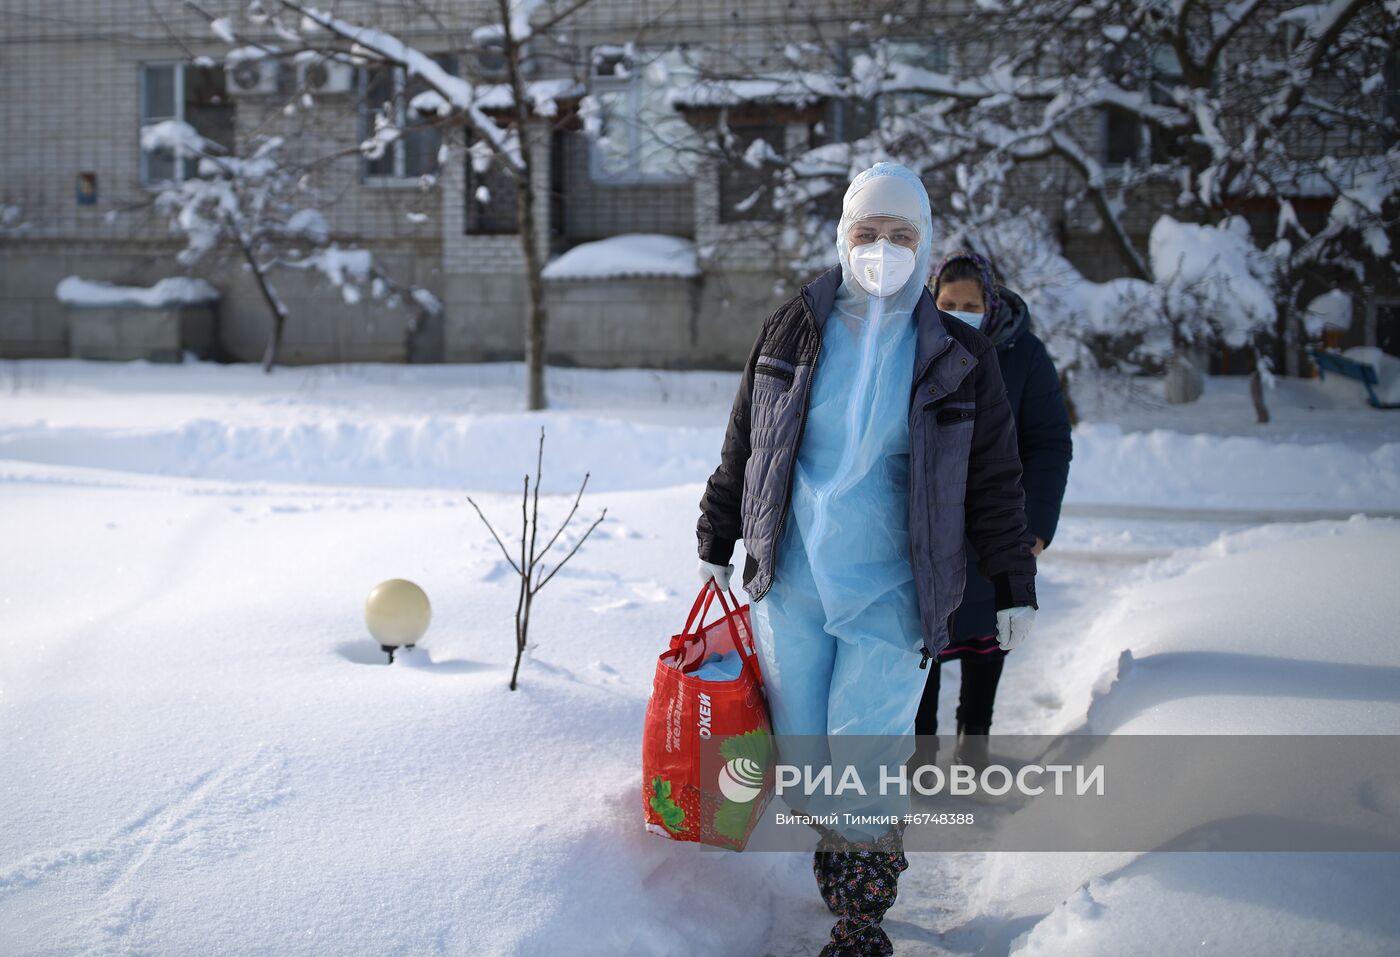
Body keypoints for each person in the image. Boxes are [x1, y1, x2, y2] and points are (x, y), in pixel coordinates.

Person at [694, 163, 1039, 957]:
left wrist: (1013, 579)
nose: (883, 249)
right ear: (842, 236)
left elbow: (994, 474)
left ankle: (860, 920)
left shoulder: (957, 352)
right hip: (795, 582)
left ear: (926, 245)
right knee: (810, 754)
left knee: (865, 755)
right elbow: (746, 439)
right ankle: (840, 867)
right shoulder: (793, 327)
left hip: (896, 588)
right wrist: (718, 532)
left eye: (902, 235)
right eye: (867, 233)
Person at [914, 253, 1072, 768]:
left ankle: (974, 744)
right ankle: (921, 750)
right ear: (933, 300)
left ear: (990, 305)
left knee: (987, 640)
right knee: (924, 639)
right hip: (928, 522)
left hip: (997, 520)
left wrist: (1037, 527)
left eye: (971, 305)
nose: (960, 312)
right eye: (948, 304)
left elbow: (1049, 443)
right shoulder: (915, 343)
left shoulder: (1022, 353)